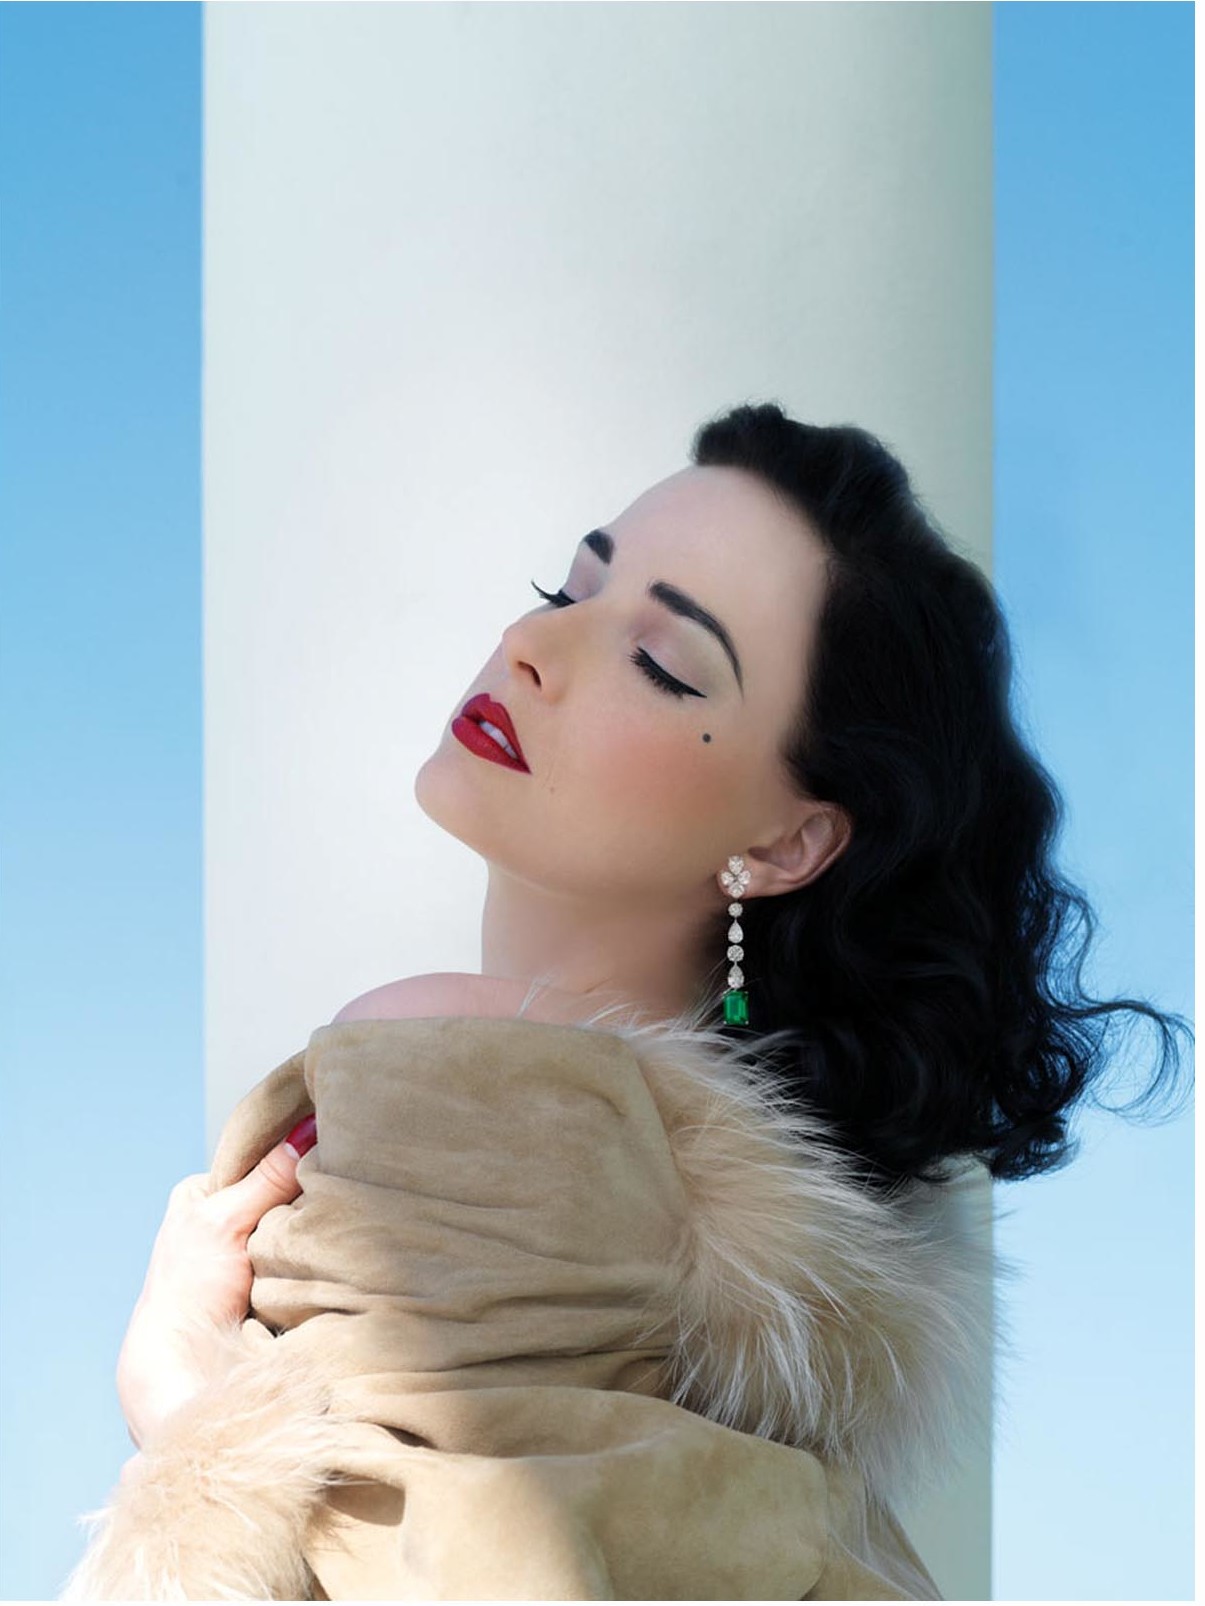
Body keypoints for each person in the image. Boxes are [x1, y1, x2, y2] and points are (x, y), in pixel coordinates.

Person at [61, 402, 1192, 1601]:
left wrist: (190, 1433)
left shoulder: (450, 1066)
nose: (528, 643)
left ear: (787, 841)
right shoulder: (765, 1328)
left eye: (661, 662)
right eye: (567, 588)